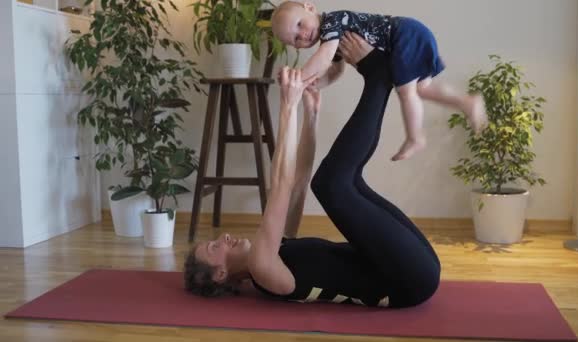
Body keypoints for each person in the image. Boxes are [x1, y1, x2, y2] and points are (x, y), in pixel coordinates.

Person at [184, 33, 440, 308]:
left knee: (337, 182)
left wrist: (310, 116)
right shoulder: (263, 269)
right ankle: (378, 76)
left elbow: (298, 183)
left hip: (416, 264)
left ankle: (379, 76)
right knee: (332, 185)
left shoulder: (275, 250)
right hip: (410, 280)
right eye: (214, 248)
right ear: (221, 273)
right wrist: (287, 106)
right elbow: (280, 184)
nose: (223, 238)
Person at [270, 1, 487, 161]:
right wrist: (313, 84)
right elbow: (335, 70)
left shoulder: (333, 22)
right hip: (410, 34)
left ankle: (416, 137)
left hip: (404, 34)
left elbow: (324, 59)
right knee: (423, 88)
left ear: (309, 7)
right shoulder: (331, 39)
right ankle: (467, 102)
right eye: (295, 40)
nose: (303, 35)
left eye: (299, 24)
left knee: (406, 92)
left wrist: (299, 78)